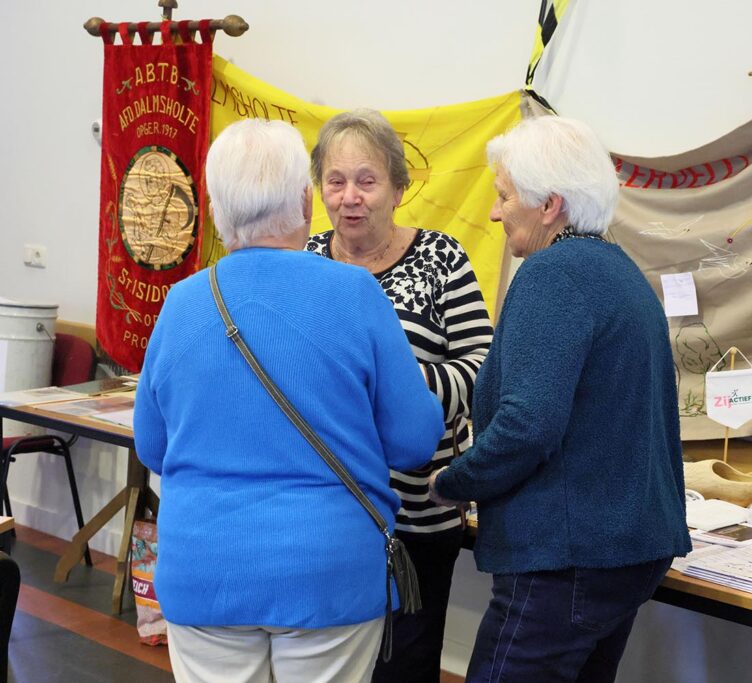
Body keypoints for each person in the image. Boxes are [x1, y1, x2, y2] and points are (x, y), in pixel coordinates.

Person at [133, 118, 444, 683]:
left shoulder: (181, 303)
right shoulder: (355, 293)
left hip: (204, 567)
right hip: (326, 570)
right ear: (306, 198)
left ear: (216, 207)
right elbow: (415, 440)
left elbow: (153, 447)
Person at [428, 116, 691, 683]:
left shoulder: (554, 274)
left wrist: (454, 482)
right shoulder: (618, 271)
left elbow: (529, 424)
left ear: (549, 205)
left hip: (566, 560)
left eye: (503, 197)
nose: (496, 213)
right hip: (619, 552)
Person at [306, 109, 493, 683]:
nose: (349, 197)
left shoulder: (441, 258)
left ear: (397, 187)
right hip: (326, 506)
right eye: (335, 181)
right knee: (330, 660)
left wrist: (399, 384)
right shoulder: (305, 261)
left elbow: (484, 369)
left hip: (418, 511)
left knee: (404, 664)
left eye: (367, 180)